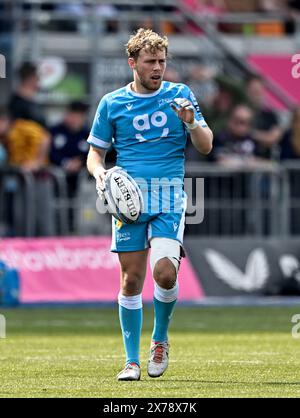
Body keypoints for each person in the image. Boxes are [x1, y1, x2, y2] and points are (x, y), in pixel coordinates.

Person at [86, 28, 213, 381]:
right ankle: (130, 361)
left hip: (169, 197)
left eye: (162, 61)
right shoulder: (112, 103)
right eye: (150, 62)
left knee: (165, 273)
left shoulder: (180, 95)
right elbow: (95, 155)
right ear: (133, 64)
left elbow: (206, 145)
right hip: (128, 203)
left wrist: (190, 124)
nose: (158, 68)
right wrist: (100, 175)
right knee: (131, 281)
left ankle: (159, 339)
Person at [245, 75, 282, 160]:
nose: (256, 95)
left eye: (259, 91)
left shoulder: (270, 114)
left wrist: (250, 134)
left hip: (263, 163)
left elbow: (273, 138)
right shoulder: (239, 112)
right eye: (253, 92)